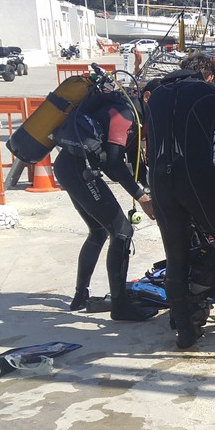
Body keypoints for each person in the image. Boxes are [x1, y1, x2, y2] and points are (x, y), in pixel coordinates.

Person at [145, 53, 215, 349]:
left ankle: (184, 331)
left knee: (176, 255)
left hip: (159, 181)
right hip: (197, 179)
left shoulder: (155, 96)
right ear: (210, 76)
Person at [54, 88, 158, 321]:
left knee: (99, 231)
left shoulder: (140, 120)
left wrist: (153, 191)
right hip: (77, 171)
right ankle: (120, 306)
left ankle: (81, 296)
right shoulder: (124, 115)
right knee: (122, 230)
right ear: (148, 96)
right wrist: (142, 199)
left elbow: (136, 165)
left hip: (70, 167)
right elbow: (115, 165)